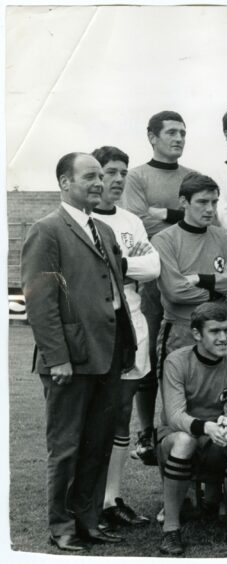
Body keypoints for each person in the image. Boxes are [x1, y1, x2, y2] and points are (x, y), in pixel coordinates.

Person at [22, 152, 136, 551]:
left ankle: (88, 521)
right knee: (67, 447)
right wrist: (58, 358)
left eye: (100, 177)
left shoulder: (103, 230)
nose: (98, 182)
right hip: (71, 361)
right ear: (64, 182)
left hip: (108, 356)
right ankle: (63, 527)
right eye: (88, 176)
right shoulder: (47, 230)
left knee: (98, 444)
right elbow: (40, 302)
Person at [156, 303, 227, 555]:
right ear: (196, 334)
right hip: (176, 435)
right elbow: (173, 415)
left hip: (216, 433)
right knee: (185, 441)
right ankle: (171, 529)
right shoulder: (177, 360)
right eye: (215, 331)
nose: (224, 337)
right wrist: (205, 426)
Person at [90, 146, 160, 527]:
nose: (117, 179)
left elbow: (152, 266)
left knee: (120, 412)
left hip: (133, 321)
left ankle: (112, 497)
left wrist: (116, 265)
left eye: (122, 172)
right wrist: (123, 269)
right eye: (109, 172)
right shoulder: (80, 219)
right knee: (94, 415)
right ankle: (88, 498)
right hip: (97, 325)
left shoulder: (132, 220)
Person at [120, 110, 195, 466]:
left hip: (186, 276)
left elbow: (203, 218)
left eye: (183, 132)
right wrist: (179, 216)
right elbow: (138, 223)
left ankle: (181, 426)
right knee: (148, 359)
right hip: (152, 281)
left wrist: (163, 214)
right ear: (152, 136)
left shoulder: (192, 177)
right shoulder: (136, 177)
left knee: (185, 362)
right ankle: (146, 431)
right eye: (171, 133)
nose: (179, 138)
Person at [151, 173, 227, 375]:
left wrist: (202, 279)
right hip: (181, 330)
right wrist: (220, 290)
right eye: (203, 202)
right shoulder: (164, 240)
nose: (210, 209)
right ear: (183, 202)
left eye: (214, 202)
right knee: (178, 398)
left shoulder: (223, 236)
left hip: (221, 330)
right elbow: (175, 291)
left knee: (221, 397)